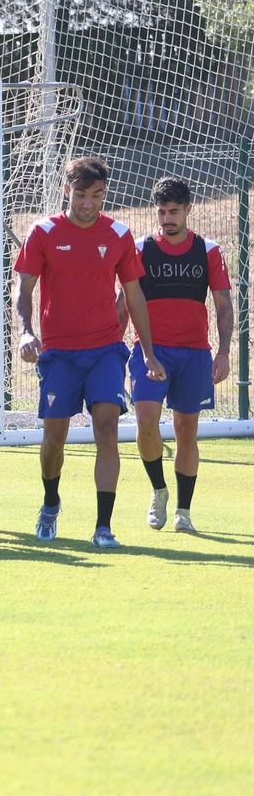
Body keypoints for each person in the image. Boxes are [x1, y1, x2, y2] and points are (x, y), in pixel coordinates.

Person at [14, 155, 165, 548]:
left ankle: (103, 527)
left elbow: (134, 296)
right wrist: (26, 331)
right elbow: (23, 289)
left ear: (104, 193)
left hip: (105, 351)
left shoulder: (118, 234)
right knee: (53, 439)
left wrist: (148, 353)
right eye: (80, 194)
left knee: (107, 430)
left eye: (96, 195)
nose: (87, 203)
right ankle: (50, 503)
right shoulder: (42, 231)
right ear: (68, 190)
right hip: (59, 354)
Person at [120, 176, 232, 534]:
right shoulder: (139, 249)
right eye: (161, 212)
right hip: (150, 351)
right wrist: (112, 344)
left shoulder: (209, 251)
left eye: (174, 212)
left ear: (188, 210)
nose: (167, 219)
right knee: (146, 421)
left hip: (195, 353)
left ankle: (184, 511)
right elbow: (123, 303)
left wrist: (225, 352)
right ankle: (159, 491)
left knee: (186, 430)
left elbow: (224, 306)